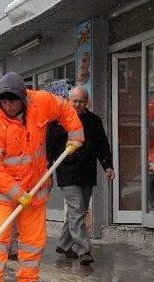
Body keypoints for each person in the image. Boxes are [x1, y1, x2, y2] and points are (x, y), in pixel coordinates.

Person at [0, 72, 84, 282]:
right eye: (3, 102)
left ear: (23, 98)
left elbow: (66, 109)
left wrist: (76, 134)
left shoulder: (42, 102)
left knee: (34, 239)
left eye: (12, 101)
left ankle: (28, 281)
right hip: (2, 194)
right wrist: (16, 193)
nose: (7, 106)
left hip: (35, 187)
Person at [47, 86, 115, 266]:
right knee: (77, 210)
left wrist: (108, 166)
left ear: (87, 102)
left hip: (87, 172)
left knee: (79, 210)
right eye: (74, 101)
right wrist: (47, 172)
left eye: (81, 101)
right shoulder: (59, 122)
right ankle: (84, 249)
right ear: (69, 101)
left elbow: (102, 145)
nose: (77, 104)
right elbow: (49, 148)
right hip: (67, 172)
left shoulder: (94, 121)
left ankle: (63, 245)